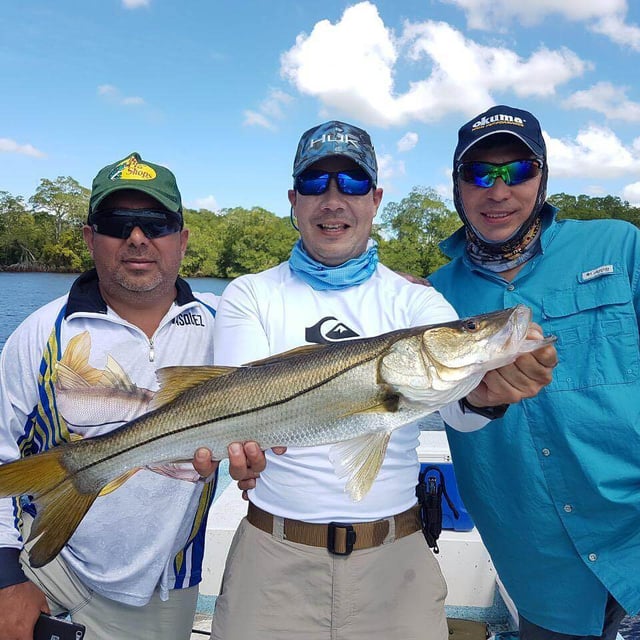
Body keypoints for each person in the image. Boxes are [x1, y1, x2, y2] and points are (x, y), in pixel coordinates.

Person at [208, 120, 556, 640]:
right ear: (293, 200)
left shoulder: (415, 302)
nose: (332, 200)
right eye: (314, 184)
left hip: (397, 560)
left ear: (374, 199)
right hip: (272, 556)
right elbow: (243, 404)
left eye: (350, 184)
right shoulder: (250, 294)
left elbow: (463, 414)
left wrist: (489, 393)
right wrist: (238, 448)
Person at [0, 152, 266, 640]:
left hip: (165, 586)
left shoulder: (226, 323)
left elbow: (306, 365)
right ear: (89, 238)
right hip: (43, 568)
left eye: (156, 223)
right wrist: (4, 578)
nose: (137, 238)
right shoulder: (39, 334)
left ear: (182, 241)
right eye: (116, 222)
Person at [428, 104, 640, 639]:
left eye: (517, 171)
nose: (497, 191)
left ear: (542, 177)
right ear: (457, 185)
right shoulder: (429, 297)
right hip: (536, 557)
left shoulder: (619, 245)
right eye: (479, 173)